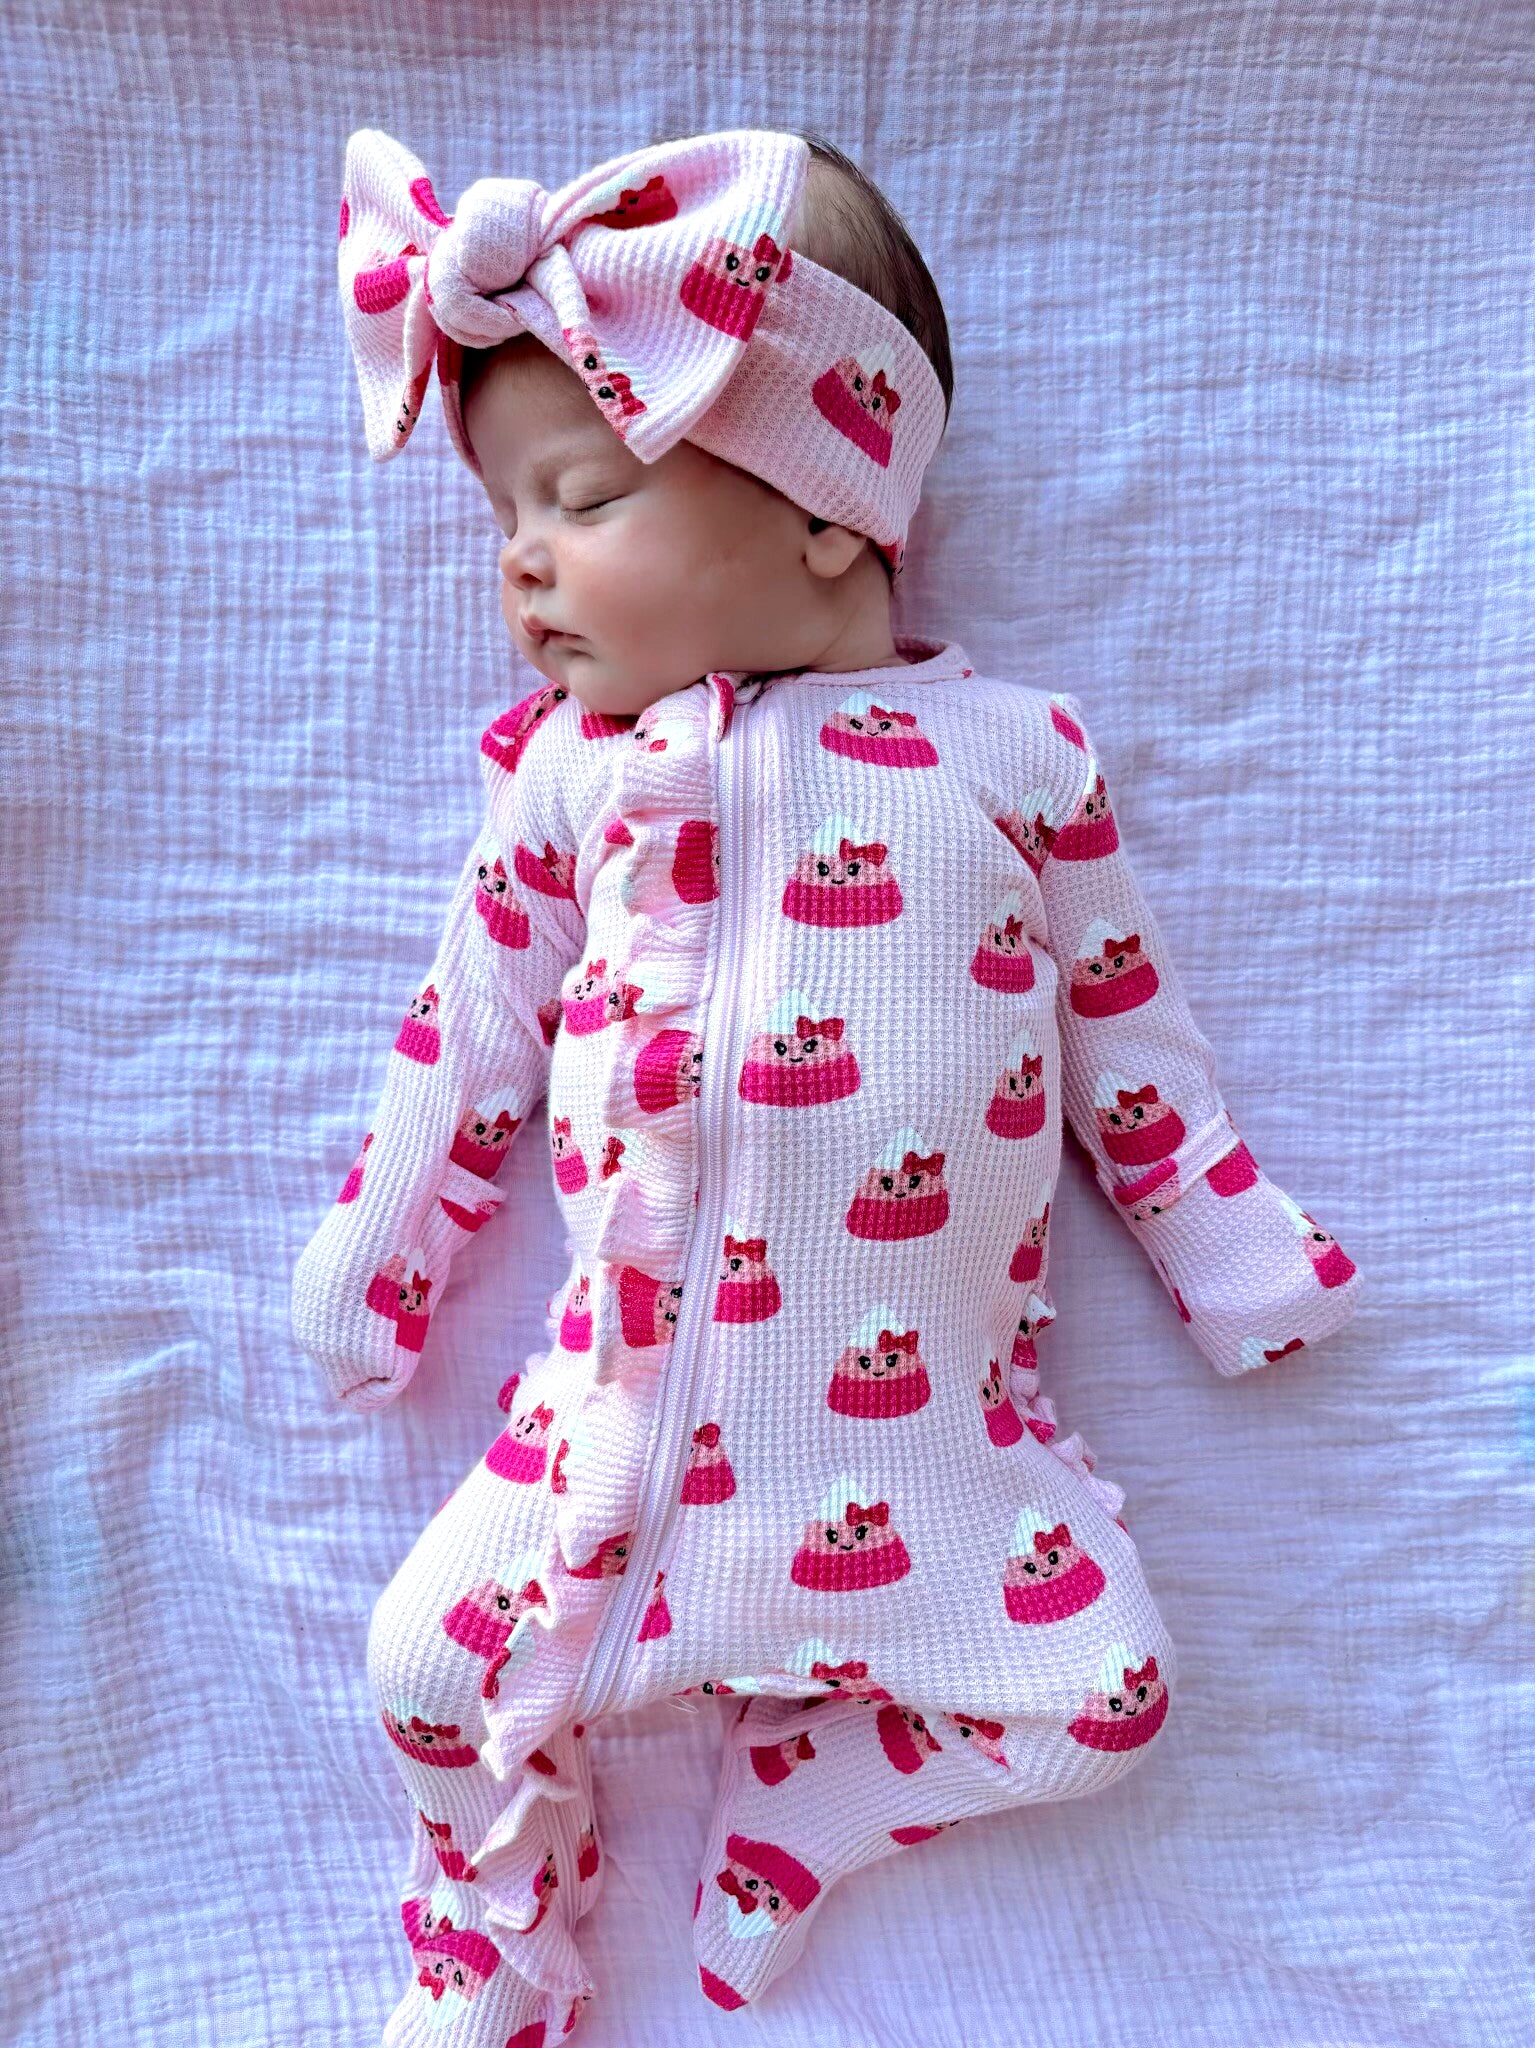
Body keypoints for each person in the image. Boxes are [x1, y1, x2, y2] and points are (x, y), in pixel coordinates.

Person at [292, 124, 1362, 2045]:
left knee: (1108, 1695)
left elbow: (1130, 1039)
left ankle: (820, 1793)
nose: (524, 562)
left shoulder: (1012, 761)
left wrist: (1232, 1250)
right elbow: (468, 1035)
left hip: (931, 1442)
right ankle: (500, 1938)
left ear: (828, 504)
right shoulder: (567, 780)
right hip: (611, 1432)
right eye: (501, 523)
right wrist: (382, 1263)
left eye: (584, 493)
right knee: (421, 1670)